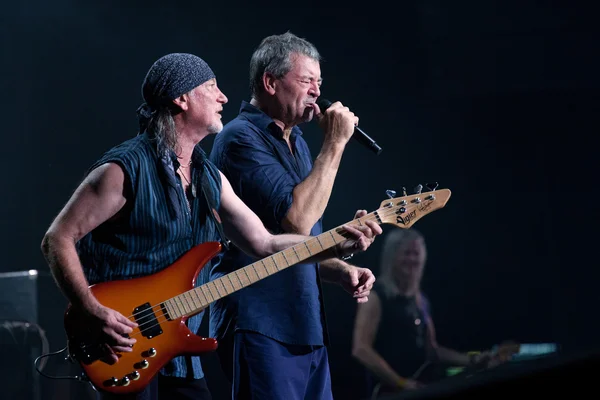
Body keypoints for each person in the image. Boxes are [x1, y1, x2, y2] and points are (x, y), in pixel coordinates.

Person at [40, 52, 381, 400]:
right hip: (124, 343)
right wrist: (91, 309)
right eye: (212, 87)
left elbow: (264, 243)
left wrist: (333, 244)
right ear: (181, 98)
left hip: (181, 354)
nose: (224, 97)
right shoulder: (123, 170)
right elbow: (57, 239)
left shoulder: (208, 176)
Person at [208, 32, 379, 399]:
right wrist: (335, 143)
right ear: (270, 82)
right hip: (261, 325)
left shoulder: (298, 143)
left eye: (320, 82)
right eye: (306, 81)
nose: (317, 92)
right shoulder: (240, 138)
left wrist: (340, 265)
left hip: (305, 326)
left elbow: (295, 246)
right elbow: (297, 223)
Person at [352, 228, 493, 398]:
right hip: (390, 392)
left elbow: (431, 350)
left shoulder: (421, 300)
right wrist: (400, 382)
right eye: (406, 253)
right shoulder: (376, 296)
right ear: (392, 256)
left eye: (416, 253)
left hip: (420, 388)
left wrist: (472, 360)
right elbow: (361, 349)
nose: (412, 259)